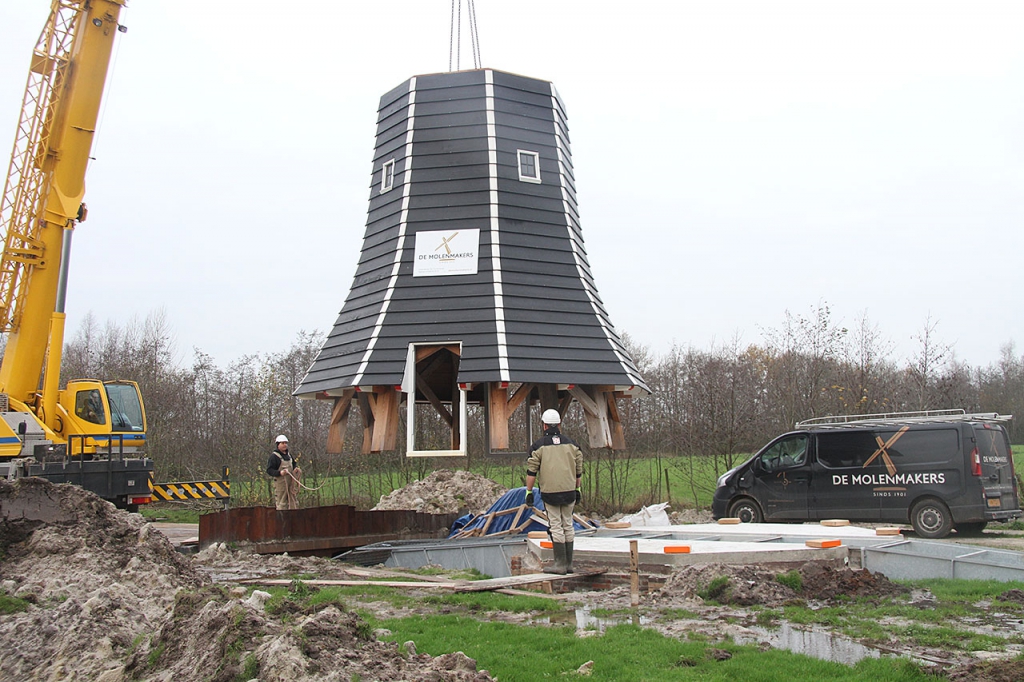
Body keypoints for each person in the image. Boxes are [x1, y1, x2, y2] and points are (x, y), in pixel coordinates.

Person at [524, 408, 583, 574]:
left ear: (544, 425)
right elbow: (578, 470)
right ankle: (569, 564)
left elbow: (531, 472)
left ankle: (560, 564)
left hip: (550, 493)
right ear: (559, 425)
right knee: (568, 525)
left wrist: (529, 492)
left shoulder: (538, 446)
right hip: (570, 490)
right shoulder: (573, 445)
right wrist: (577, 488)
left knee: (556, 525)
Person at [267, 434, 301, 510]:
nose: (285, 445)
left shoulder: (289, 455)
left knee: (294, 503)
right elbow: (269, 470)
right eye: (282, 443)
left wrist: (295, 468)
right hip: (281, 485)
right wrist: (280, 473)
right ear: (278, 444)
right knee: (282, 505)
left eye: (286, 443)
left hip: (290, 484)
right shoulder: (274, 457)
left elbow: (294, 464)